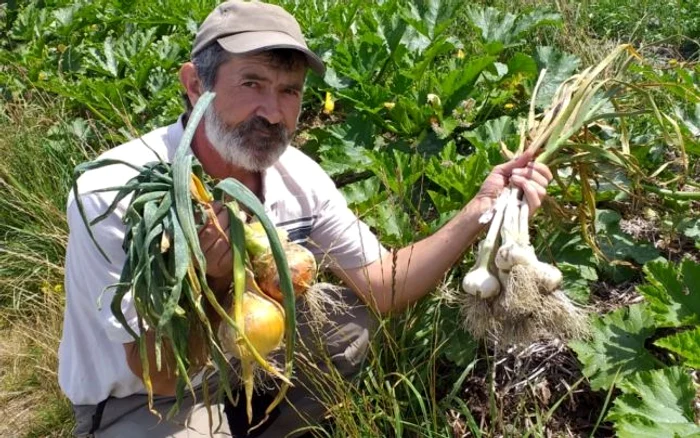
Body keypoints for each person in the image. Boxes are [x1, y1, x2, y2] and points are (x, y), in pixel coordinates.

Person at [58, 1, 553, 437]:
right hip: (150, 398)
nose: (273, 114)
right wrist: (209, 281)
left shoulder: (295, 173)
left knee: (348, 321)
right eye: (251, 83)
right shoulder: (119, 191)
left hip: (246, 360)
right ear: (195, 85)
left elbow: (384, 287)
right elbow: (159, 375)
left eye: (289, 91)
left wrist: (478, 212)